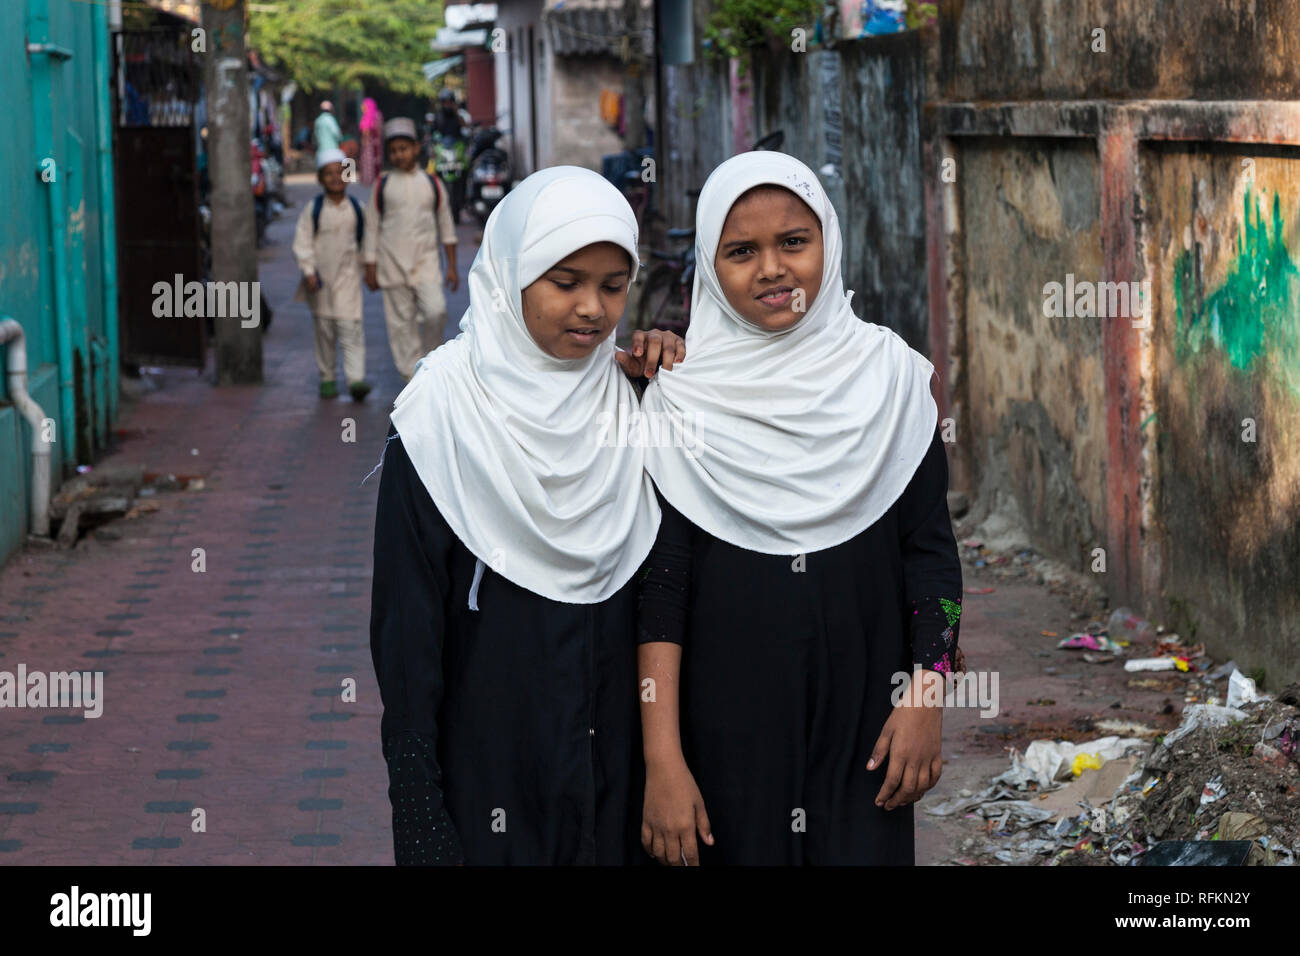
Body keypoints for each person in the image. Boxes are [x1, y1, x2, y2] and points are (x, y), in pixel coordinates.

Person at [636, 151, 963, 865]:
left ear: (829, 243)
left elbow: (930, 557)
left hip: (870, 729)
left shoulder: (894, 382)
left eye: (794, 242)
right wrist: (663, 762)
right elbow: (661, 592)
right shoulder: (681, 400)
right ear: (709, 271)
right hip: (724, 736)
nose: (773, 270)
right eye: (740, 252)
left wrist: (927, 698)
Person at [369, 166, 686, 865]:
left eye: (612, 285)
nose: (592, 310)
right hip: (488, 774)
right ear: (510, 275)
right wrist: (418, 809)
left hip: (618, 773)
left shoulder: (636, 403)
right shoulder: (440, 416)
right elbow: (406, 638)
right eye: (564, 281)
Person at [363, 116, 459, 381]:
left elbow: (447, 227)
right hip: (391, 265)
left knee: (435, 312)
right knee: (400, 326)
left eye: (404, 148)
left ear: (416, 148)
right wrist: (369, 265)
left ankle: (429, 366)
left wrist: (451, 266)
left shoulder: (432, 184)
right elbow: (371, 227)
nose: (399, 154)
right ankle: (411, 379)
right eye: (393, 150)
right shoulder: (382, 185)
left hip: (426, 263)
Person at [292, 148, 371, 401]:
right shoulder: (313, 210)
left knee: (351, 328)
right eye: (329, 174)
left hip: (349, 279)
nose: (335, 178)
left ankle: (355, 379)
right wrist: (308, 270)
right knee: (324, 331)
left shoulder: (358, 209)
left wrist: (370, 267)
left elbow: (368, 241)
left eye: (340, 172)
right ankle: (327, 377)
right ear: (320, 178)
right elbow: (302, 242)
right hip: (320, 282)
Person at [359, 97, 384, 186]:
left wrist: (363, 143)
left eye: (363, 106)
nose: (362, 108)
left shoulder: (367, 116)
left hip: (369, 146)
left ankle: (368, 180)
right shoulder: (378, 115)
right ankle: (376, 180)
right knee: (377, 162)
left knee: (368, 163)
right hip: (378, 144)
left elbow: (365, 132)